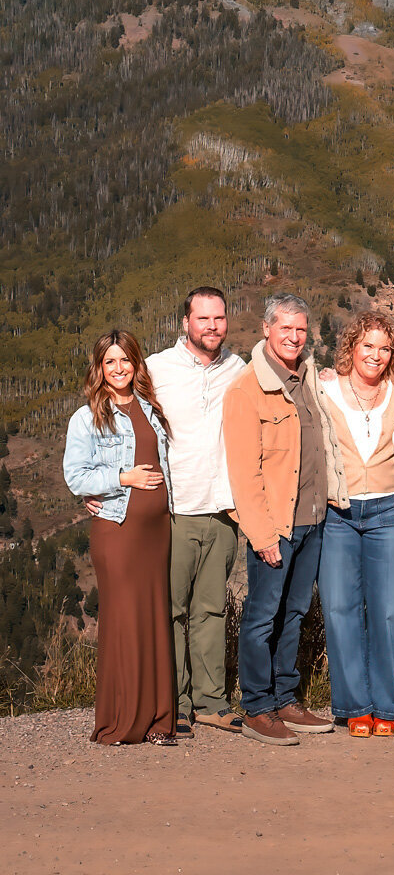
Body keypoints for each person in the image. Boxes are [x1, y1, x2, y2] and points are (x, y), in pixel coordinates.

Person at [223, 293, 347, 747]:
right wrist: (261, 533)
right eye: (285, 328)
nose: (294, 337)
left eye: (301, 329)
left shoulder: (307, 378)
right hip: (276, 525)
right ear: (266, 329)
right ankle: (257, 706)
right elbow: (244, 471)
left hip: (313, 519)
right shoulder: (246, 389)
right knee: (262, 615)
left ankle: (284, 696)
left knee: (294, 612)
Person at [63, 330, 176, 746]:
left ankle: (159, 721)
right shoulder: (88, 417)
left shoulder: (150, 408)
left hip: (157, 530)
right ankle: (123, 721)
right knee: (125, 621)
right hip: (118, 530)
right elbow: (76, 476)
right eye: (110, 361)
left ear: (136, 362)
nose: (119, 368)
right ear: (99, 368)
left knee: (153, 618)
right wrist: (122, 477)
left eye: (125, 359)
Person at [145, 286, 246, 738]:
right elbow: (119, 418)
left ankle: (210, 700)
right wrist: (109, 482)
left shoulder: (238, 370)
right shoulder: (156, 369)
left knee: (211, 609)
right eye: (202, 318)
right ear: (185, 322)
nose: (211, 326)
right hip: (174, 509)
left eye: (219, 318)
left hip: (223, 510)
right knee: (171, 610)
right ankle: (175, 701)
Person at [317, 311, 394, 737]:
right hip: (338, 512)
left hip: (389, 511)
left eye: (384, 348)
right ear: (351, 347)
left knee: (390, 610)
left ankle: (387, 706)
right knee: (340, 609)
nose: (375, 354)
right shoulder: (323, 389)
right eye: (367, 345)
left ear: (393, 354)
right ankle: (356, 705)